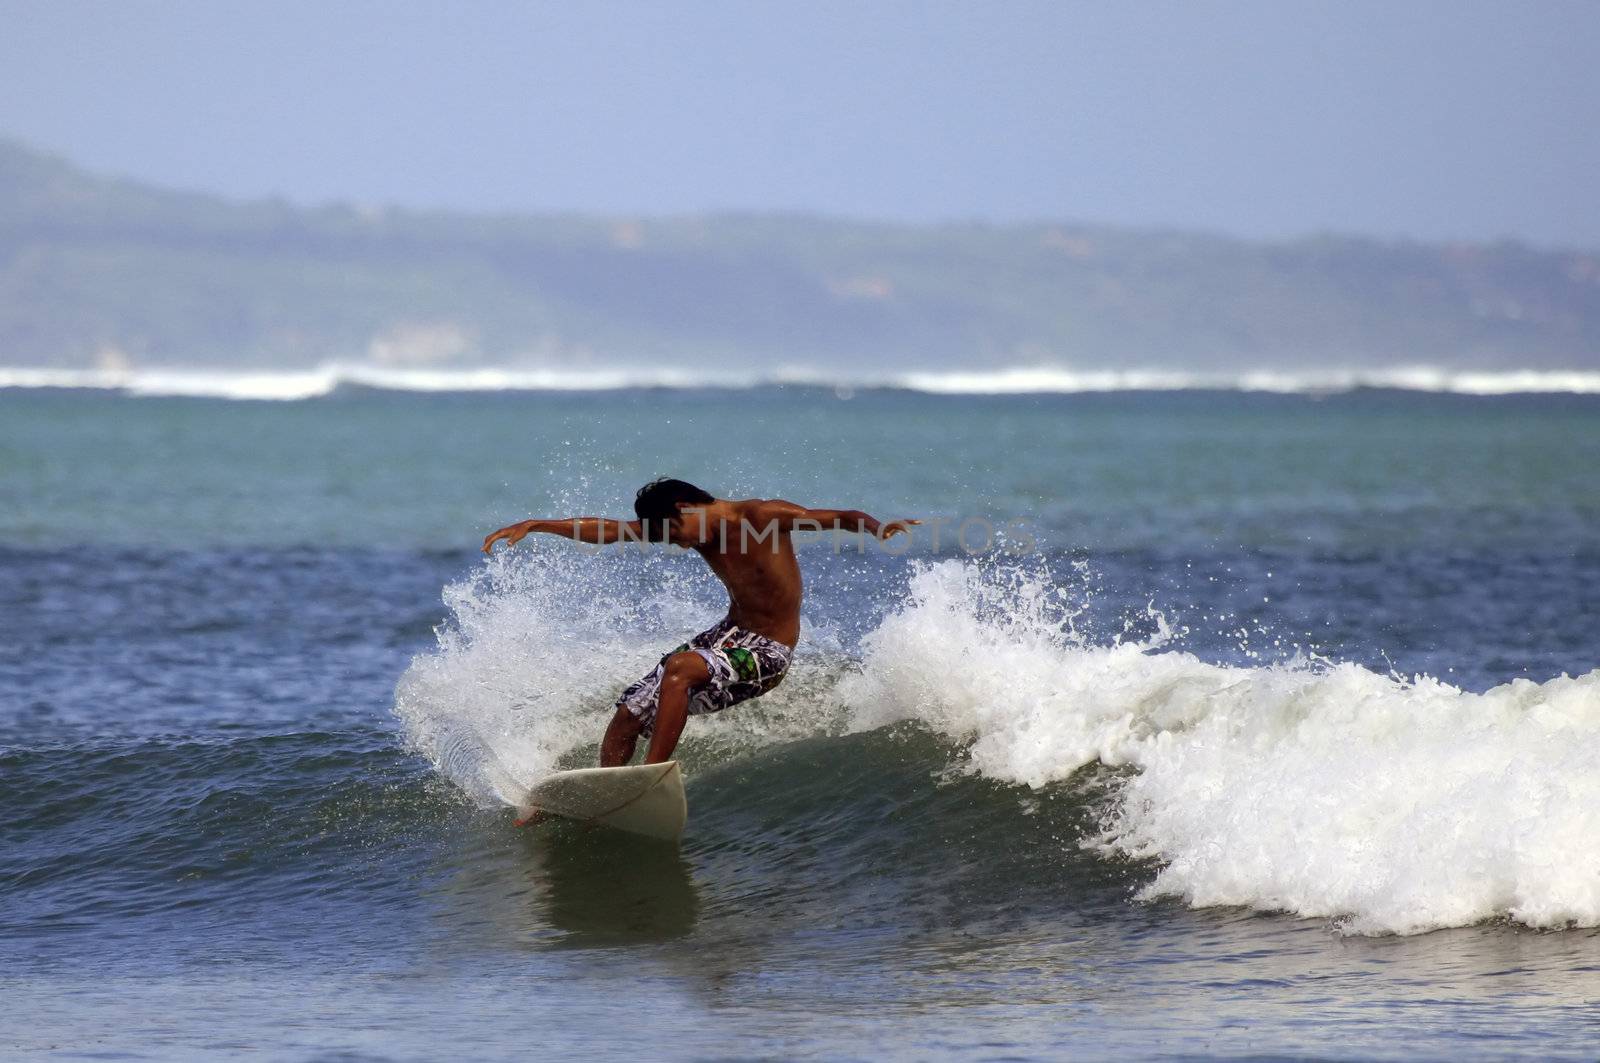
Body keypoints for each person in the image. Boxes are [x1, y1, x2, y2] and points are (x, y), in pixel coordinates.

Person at [482, 478, 917, 766]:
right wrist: (537, 524)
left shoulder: (761, 518)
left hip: (769, 652)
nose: (674, 541)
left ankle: (650, 777)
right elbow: (610, 530)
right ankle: (607, 793)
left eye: (674, 531)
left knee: (681, 668)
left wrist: (879, 528)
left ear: (686, 506)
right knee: (629, 711)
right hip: (728, 636)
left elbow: (843, 517)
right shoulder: (686, 527)